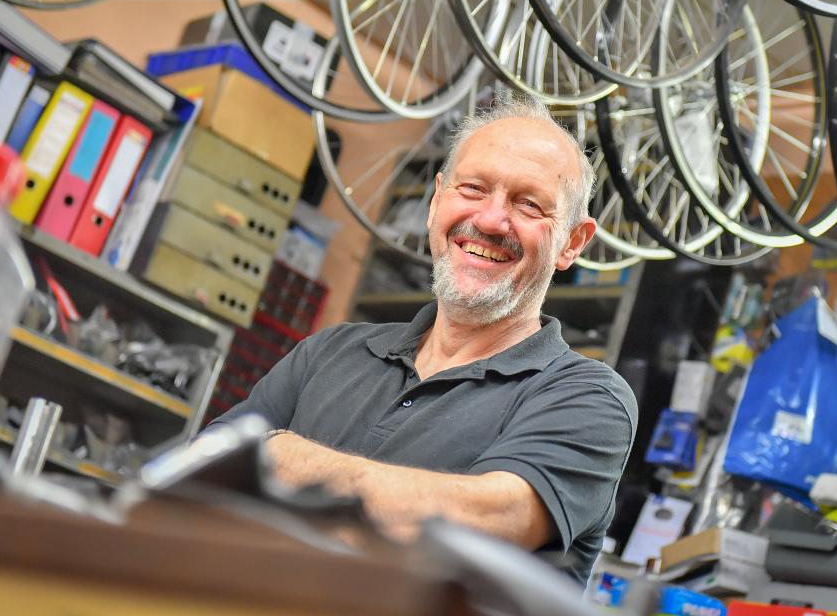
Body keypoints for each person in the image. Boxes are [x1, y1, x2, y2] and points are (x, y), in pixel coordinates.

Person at [210, 97, 638, 585]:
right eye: (473, 188)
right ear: (436, 202)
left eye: (529, 205)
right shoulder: (329, 352)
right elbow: (200, 480)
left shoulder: (588, 398)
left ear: (572, 243)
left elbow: (487, 527)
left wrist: (280, 456)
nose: (492, 220)